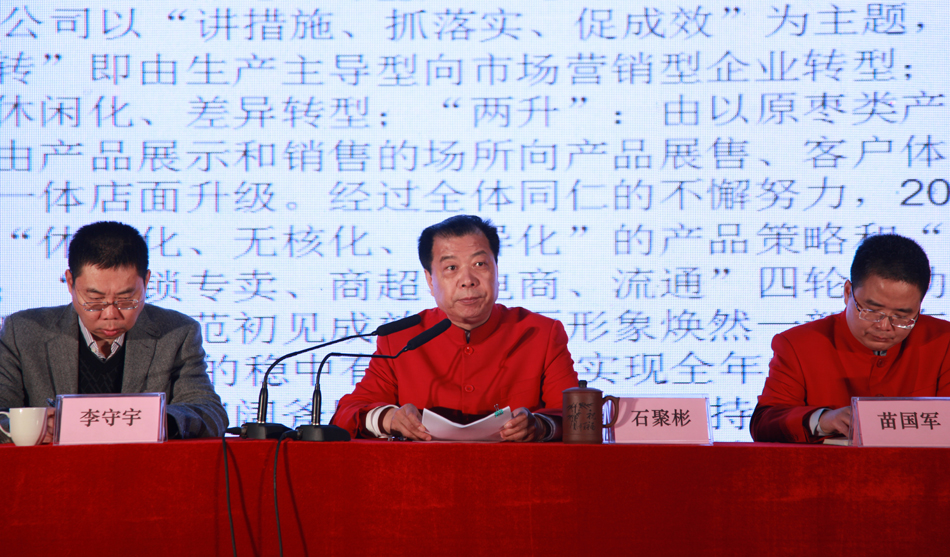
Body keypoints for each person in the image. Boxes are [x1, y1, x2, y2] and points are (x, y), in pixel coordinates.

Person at [331, 215, 578, 441]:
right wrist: (389, 419)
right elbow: (346, 414)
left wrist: (541, 426)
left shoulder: (541, 333)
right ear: (430, 280)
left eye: (480, 264)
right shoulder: (400, 339)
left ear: (496, 270)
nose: (468, 280)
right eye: (451, 268)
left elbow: (575, 416)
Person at [0, 221, 228, 442]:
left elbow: (209, 412)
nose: (110, 314)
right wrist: (32, 426)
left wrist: (156, 421)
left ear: (146, 282)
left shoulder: (176, 333)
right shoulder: (23, 332)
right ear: (70, 283)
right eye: (95, 299)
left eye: (126, 299)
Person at [751, 234, 950, 443]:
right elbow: (764, 423)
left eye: (902, 316)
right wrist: (822, 420)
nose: (884, 326)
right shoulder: (798, 344)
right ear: (848, 293)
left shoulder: (943, 342)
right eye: (872, 311)